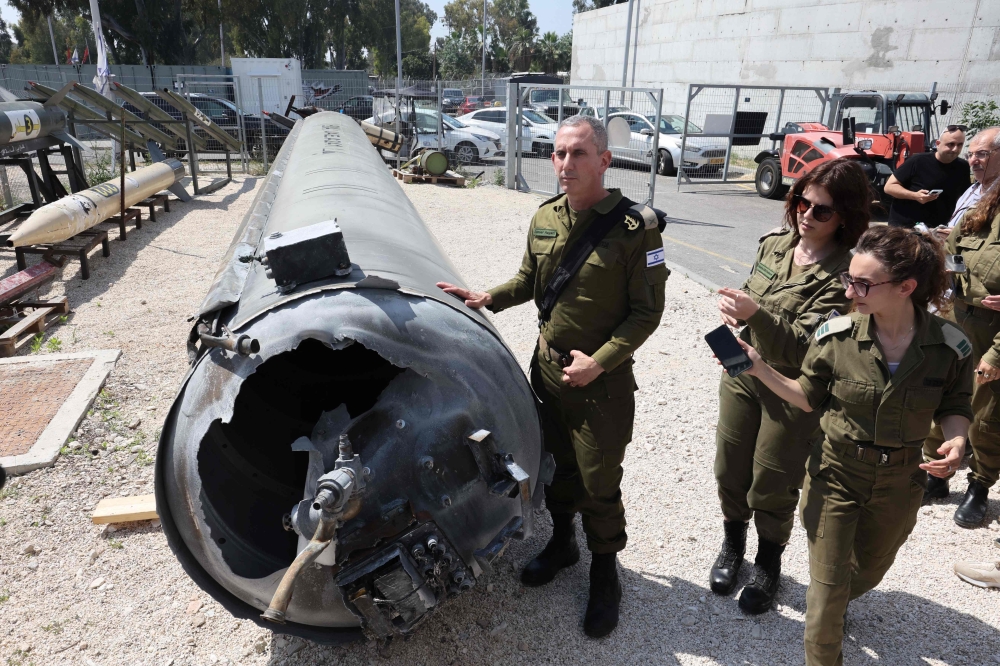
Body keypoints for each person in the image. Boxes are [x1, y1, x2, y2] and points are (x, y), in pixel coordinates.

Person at [436, 114, 667, 638]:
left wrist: (600, 362)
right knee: (556, 467)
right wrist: (487, 297)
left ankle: (605, 574)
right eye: (559, 153)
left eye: (578, 153)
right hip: (548, 370)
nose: (565, 164)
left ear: (605, 161)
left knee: (599, 481)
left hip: (601, 385)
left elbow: (645, 314)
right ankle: (564, 543)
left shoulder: (637, 229)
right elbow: (529, 280)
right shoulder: (544, 218)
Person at [733, 225, 973, 666]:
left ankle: (843, 594)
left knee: (869, 570)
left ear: (906, 287)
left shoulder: (950, 346)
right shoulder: (836, 336)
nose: (850, 289)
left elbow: (955, 404)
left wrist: (957, 439)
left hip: (901, 483)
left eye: (862, 283)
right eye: (849, 278)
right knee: (824, 599)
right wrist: (758, 368)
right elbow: (807, 395)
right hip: (836, 475)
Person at [710, 158, 870, 614]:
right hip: (743, 374)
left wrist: (754, 315)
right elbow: (751, 292)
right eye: (802, 201)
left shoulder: (847, 276)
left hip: (790, 387)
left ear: (845, 217)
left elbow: (808, 350)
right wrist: (733, 317)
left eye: (822, 210)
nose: (806, 214)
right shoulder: (776, 246)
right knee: (729, 468)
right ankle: (732, 543)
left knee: (774, 480)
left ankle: (768, 561)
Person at [921, 135, 1000, 527]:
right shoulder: (976, 195)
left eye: (982, 154)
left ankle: (980, 485)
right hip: (957, 314)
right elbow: (961, 254)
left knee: (986, 412)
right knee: (941, 391)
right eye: (972, 153)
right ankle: (936, 474)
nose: (973, 159)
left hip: (994, 328)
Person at [885, 125, 970, 228]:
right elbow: (889, 187)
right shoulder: (918, 161)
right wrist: (915, 196)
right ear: (938, 144)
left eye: (960, 145)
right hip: (906, 228)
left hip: (939, 230)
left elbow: (964, 197)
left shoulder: (963, 167)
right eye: (950, 144)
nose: (955, 149)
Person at [933, 126, 1000, 241]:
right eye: (970, 155)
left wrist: (958, 237)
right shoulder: (973, 189)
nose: (972, 161)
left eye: (981, 153)